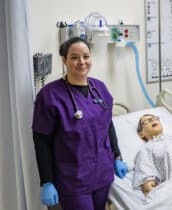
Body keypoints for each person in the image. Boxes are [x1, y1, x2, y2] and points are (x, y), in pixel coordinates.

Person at [32, 37, 128, 210]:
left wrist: (117, 157)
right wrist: (47, 181)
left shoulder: (100, 88)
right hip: (73, 180)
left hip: (102, 175)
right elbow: (42, 142)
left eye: (86, 56)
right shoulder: (49, 95)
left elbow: (108, 126)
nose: (81, 62)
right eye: (75, 57)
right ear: (64, 60)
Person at [133, 114, 172, 195]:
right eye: (147, 121)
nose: (152, 120)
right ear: (141, 134)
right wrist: (150, 186)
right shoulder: (146, 148)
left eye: (154, 118)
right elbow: (145, 170)